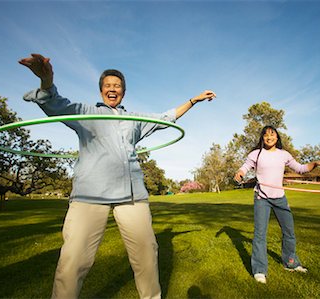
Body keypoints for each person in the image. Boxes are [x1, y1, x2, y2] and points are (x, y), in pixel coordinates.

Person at [19, 53, 216, 299]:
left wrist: (193, 100)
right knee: (74, 259)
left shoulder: (133, 120)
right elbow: (55, 104)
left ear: (123, 91)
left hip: (132, 194)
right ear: (101, 90)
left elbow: (166, 118)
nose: (113, 89)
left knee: (147, 253)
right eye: (108, 85)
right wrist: (46, 80)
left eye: (117, 86)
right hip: (90, 194)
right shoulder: (85, 112)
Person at [233, 125, 320, 284]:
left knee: (289, 232)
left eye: (272, 134)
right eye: (265, 135)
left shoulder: (283, 155)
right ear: (262, 138)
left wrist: (316, 163)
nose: (269, 137)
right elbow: (244, 168)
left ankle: (291, 264)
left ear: (277, 137)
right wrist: (240, 173)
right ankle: (259, 270)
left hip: (280, 197)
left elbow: (300, 169)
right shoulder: (256, 154)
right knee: (260, 234)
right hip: (262, 198)